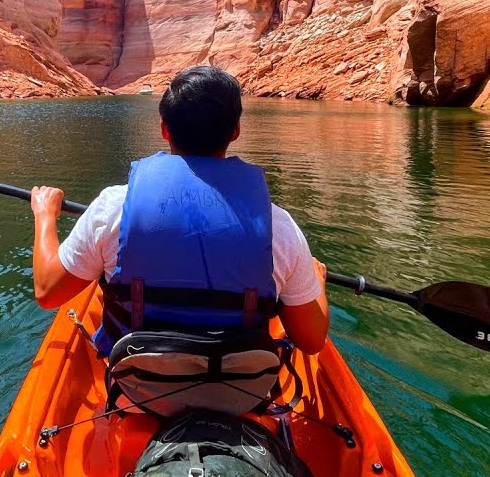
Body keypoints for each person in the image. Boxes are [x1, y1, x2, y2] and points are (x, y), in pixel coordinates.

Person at [29, 66, 329, 356]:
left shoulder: (112, 208)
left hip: (134, 387)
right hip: (240, 391)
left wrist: (44, 216)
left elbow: (47, 291)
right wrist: (317, 285)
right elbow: (312, 342)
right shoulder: (279, 226)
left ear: (164, 129)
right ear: (236, 130)